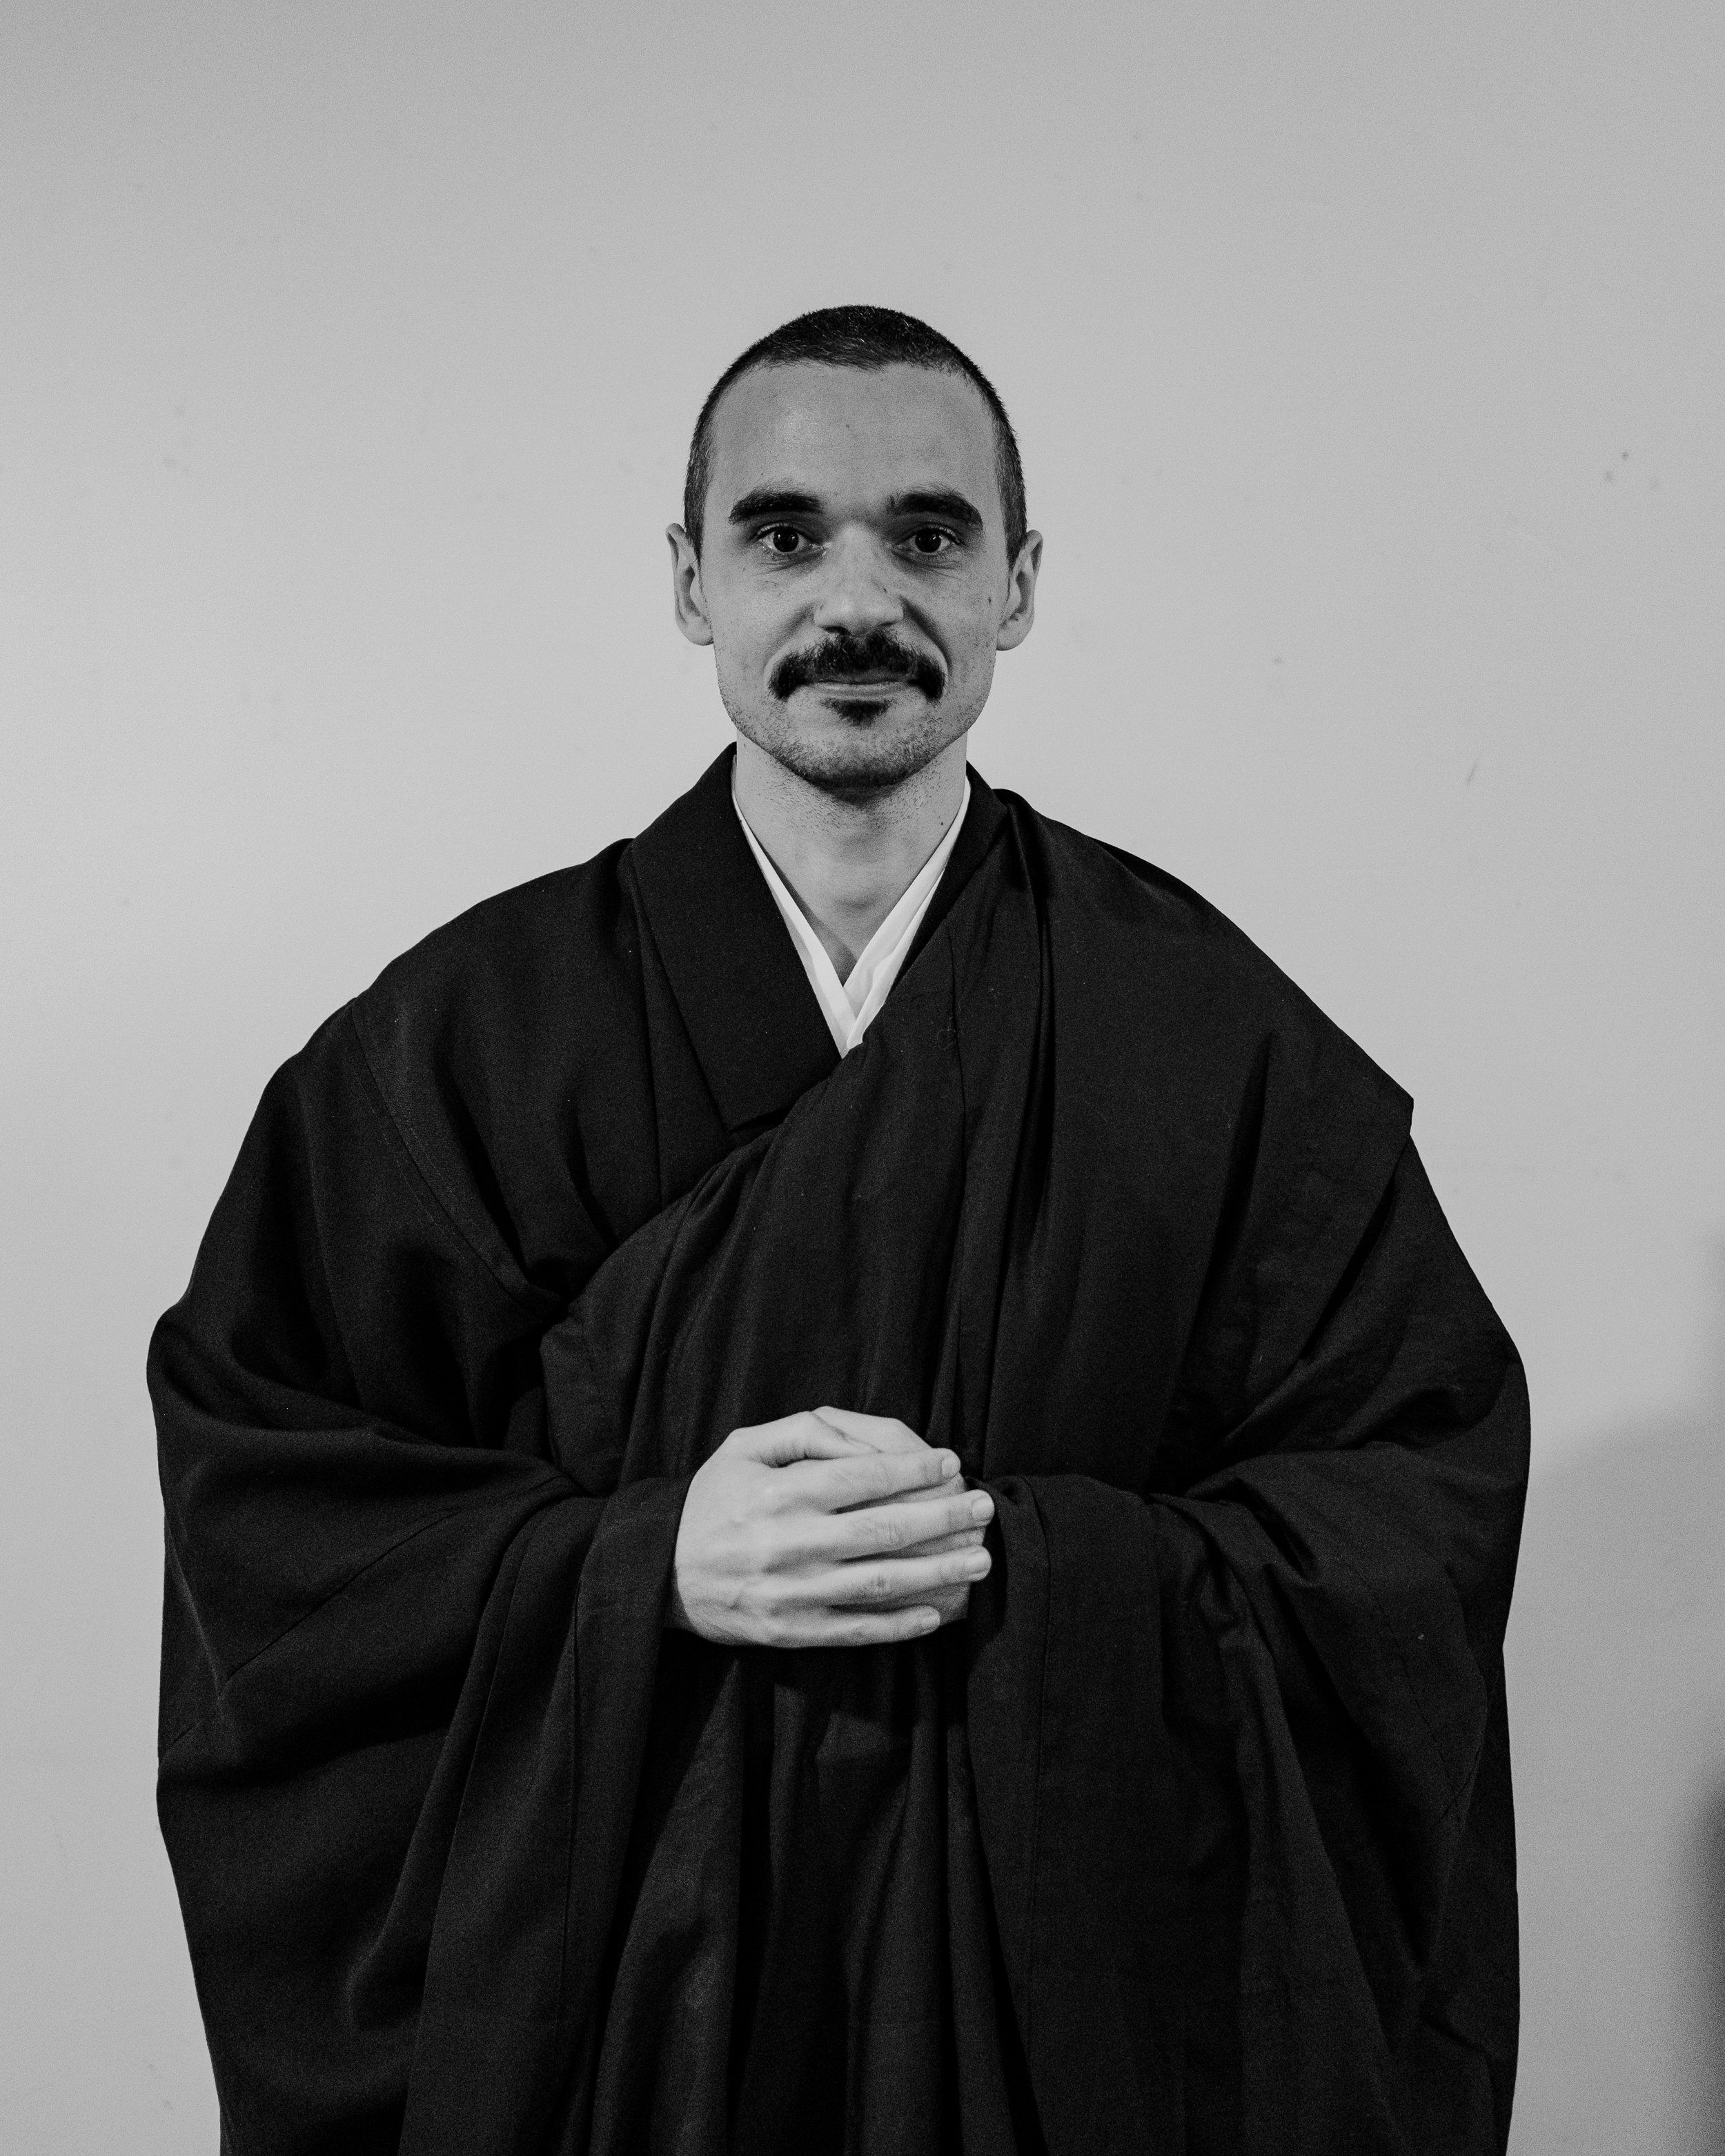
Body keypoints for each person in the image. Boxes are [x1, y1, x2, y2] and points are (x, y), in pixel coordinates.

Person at [150, 306, 1528, 2156]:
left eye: (929, 536)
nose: (854, 598)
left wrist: (1029, 1567)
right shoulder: (459, 1049)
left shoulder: (1205, 1044)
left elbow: (1402, 1500)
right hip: (626, 2031)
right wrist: (642, 1570)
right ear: (690, 580)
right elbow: (282, 1519)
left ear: (1018, 583)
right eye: (785, 534)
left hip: (1061, 2031)